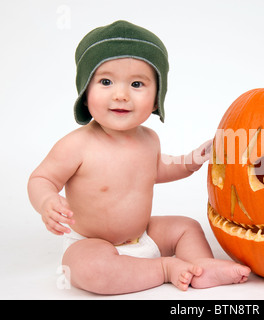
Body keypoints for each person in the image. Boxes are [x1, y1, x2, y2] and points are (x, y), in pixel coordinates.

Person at [27, 20, 250, 295]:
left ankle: (202, 266)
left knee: (186, 227)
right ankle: (166, 269)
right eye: (106, 81)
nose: (121, 95)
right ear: (85, 93)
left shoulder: (149, 139)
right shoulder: (76, 145)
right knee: (92, 270)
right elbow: (41, 178)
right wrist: (47, 200)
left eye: (136, 84)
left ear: (157, 99)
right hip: (90, 241)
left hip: (143, 234)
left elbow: (157, 169)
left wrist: (190, 161)